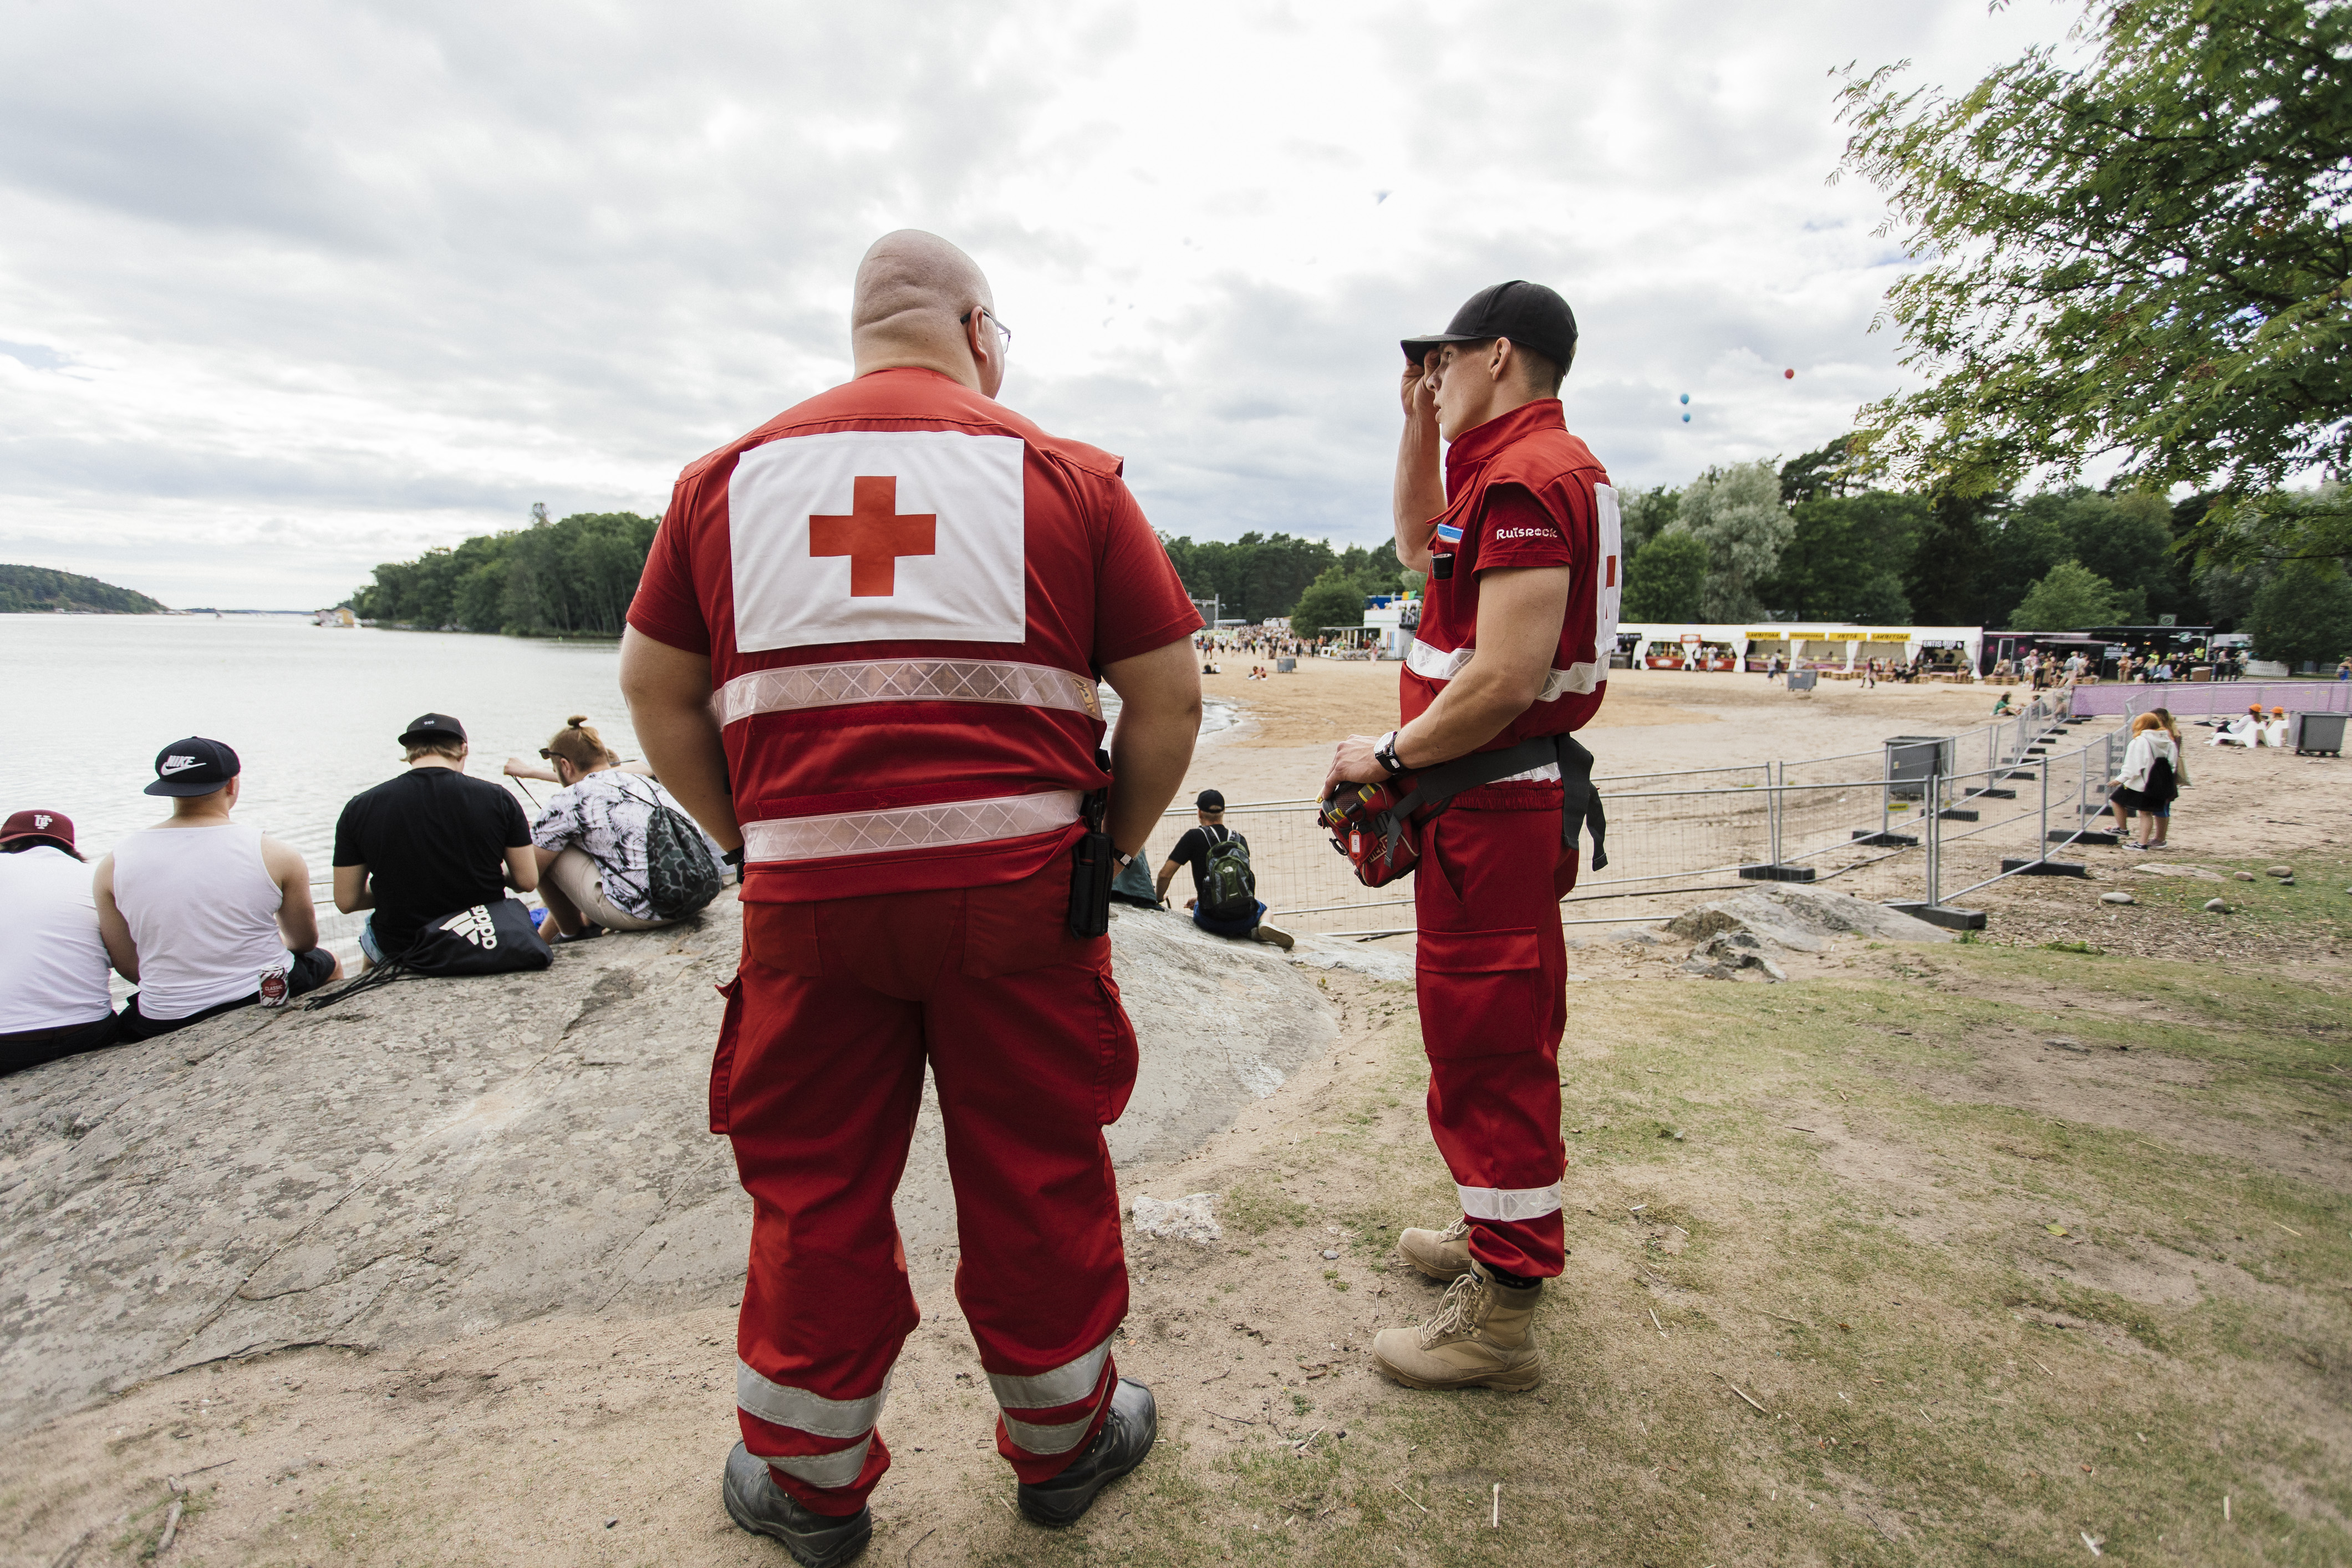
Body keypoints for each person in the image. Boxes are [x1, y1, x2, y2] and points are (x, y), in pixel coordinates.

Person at [618, 230, 1204, 1557]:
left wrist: (756, 838)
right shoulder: (1069, 477)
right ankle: (1065, 1445)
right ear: (981, 333)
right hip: (1021, 902)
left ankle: (809, 1486)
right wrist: (1108, 849)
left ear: (861, 332)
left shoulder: (723, 483)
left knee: (814, 1186)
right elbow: (1168, 701)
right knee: (1037, 1171)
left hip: (808, 908)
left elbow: (654, 689)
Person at [1323, 279, 1613, 1396]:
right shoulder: (1504, 470)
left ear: (1497, 355)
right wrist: (1415, 421)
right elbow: (1417, 543)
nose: (1430, 379)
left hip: (1492, 802)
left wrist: (1387, 756)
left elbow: (1502, 677)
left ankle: (1502, 1314)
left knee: (1489, 1045)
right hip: (1484, 805)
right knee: (1482, 1032)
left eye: (1441, 363)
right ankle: (1495, 1233)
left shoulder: (1530, 478)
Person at [93, 739, 341, 1038]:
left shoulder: (113, 863)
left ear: (167, 787)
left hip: (166, 1014)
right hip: (262, 993)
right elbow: (304, 942)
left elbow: (128, 965)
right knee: (329, 963)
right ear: (232, 785)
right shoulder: (275, 853)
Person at [332, 714, 538, 966]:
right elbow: (527, 881)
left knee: (372, 935)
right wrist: (480, 876)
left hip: (403, 946)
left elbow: (347, 901)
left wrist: (401, 889)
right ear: (463, 749)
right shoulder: (499, 799)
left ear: (409, 752)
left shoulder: (359, 807)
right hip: (483, 937)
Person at [510, 716, 725, 941]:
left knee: (543, 843)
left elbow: (526, 876)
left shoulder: (570, 798)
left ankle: (571, 934)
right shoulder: (645, 782)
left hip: (652, 912)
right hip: (702, 895)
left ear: (565, 765)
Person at [1, 810, 124, 1075]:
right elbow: (123, 959)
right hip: (89, 1032)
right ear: (69, 847)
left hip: (6, 1046)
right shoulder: (95, 877)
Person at [1152, 790, 1293, 949]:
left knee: (1201, 908)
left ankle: (1252, 931)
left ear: (1199, 812)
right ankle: (1260, 926)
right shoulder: (1239, 839)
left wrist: (1158, 898)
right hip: (1245, 917)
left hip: (1210, 920)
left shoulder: (1193, 837)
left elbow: (1165, 874)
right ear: (1224, 811)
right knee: (1266, 911)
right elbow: (1233, 881)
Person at [2107, 713, 2182, 849]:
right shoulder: (2168, 741)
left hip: (2139, 783)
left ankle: (2123, 830)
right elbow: (2172, 763)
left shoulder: (2140, 741)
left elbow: (2134, 765)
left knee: (2116, 800)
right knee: (2146, 813)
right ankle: (2141, 842)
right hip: (2158, 783)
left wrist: (2120, 779)